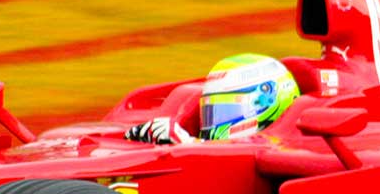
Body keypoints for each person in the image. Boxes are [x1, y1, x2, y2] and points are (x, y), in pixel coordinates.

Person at [125, 53, 300, 144]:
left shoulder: (287, 145)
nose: (215, 123)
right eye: (211, 113)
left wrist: (186, 143)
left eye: (227, 111)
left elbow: (251, 147)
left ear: (263, 103)